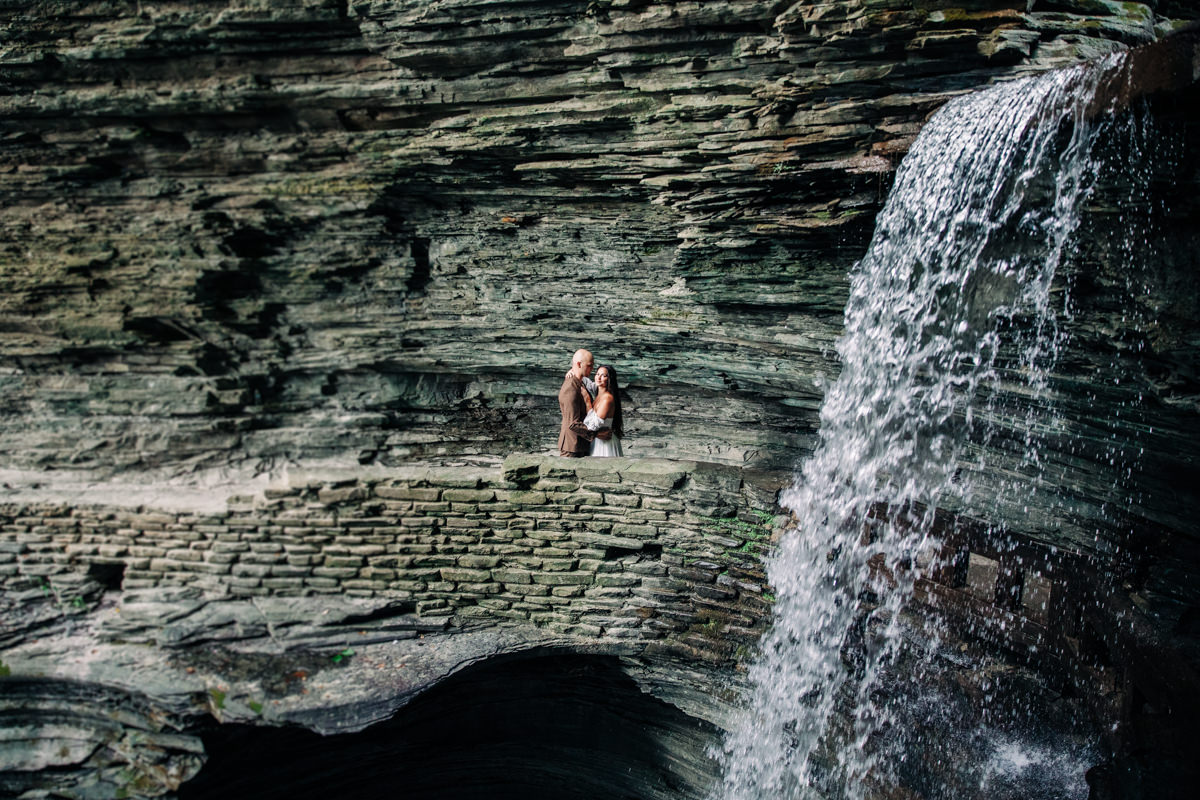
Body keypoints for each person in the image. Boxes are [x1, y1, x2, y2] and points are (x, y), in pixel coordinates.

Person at [557, 349, 610, 457]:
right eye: (589, 365)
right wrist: (598, 434)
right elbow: (573, 424)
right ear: (579, 364)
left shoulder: (581, 382)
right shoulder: (571, 388)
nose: (592, 369)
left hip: (580, 444)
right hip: (572, 447)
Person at [580, 364, 623, 457]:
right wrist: (571, 372)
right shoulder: (598, 391)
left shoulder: (607, 399)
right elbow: (585, 380)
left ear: (609, 379)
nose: (598, 378)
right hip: (597, 440)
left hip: (604, 444)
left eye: (603, 375)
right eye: (597, 374)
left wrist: (587, 400)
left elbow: (591, 426)